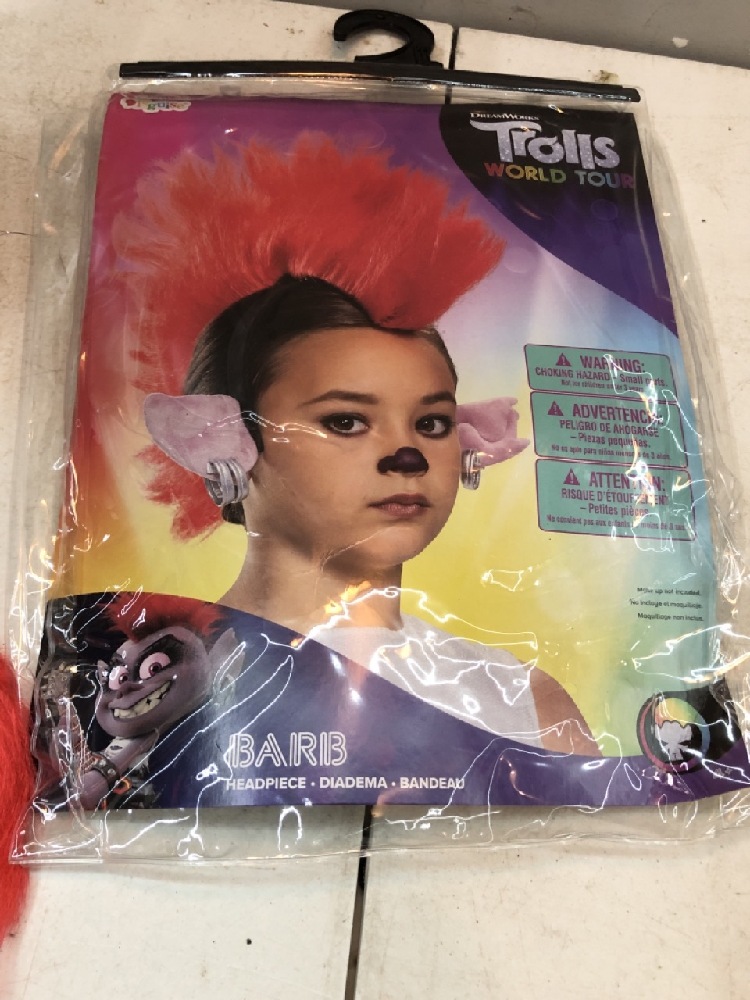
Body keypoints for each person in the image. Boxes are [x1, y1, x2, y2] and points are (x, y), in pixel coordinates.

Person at [118, 134, 596, 757]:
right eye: (346, 421)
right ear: (220, 439)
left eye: (431, 423)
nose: (408, 456)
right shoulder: (150, 683)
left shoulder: (526, 702)